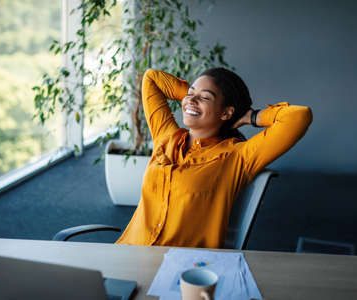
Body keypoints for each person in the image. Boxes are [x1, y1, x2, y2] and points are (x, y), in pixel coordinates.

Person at [115, 68, 312, 248]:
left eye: (205, 98)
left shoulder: (238, 157)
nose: (192, 100)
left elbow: (299, 116)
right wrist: (192, 98)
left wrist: (250, 116)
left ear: (227, 112)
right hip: (130, 250)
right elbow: (151, 78)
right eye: (191, 94)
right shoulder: (165, 136)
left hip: (182, 270)